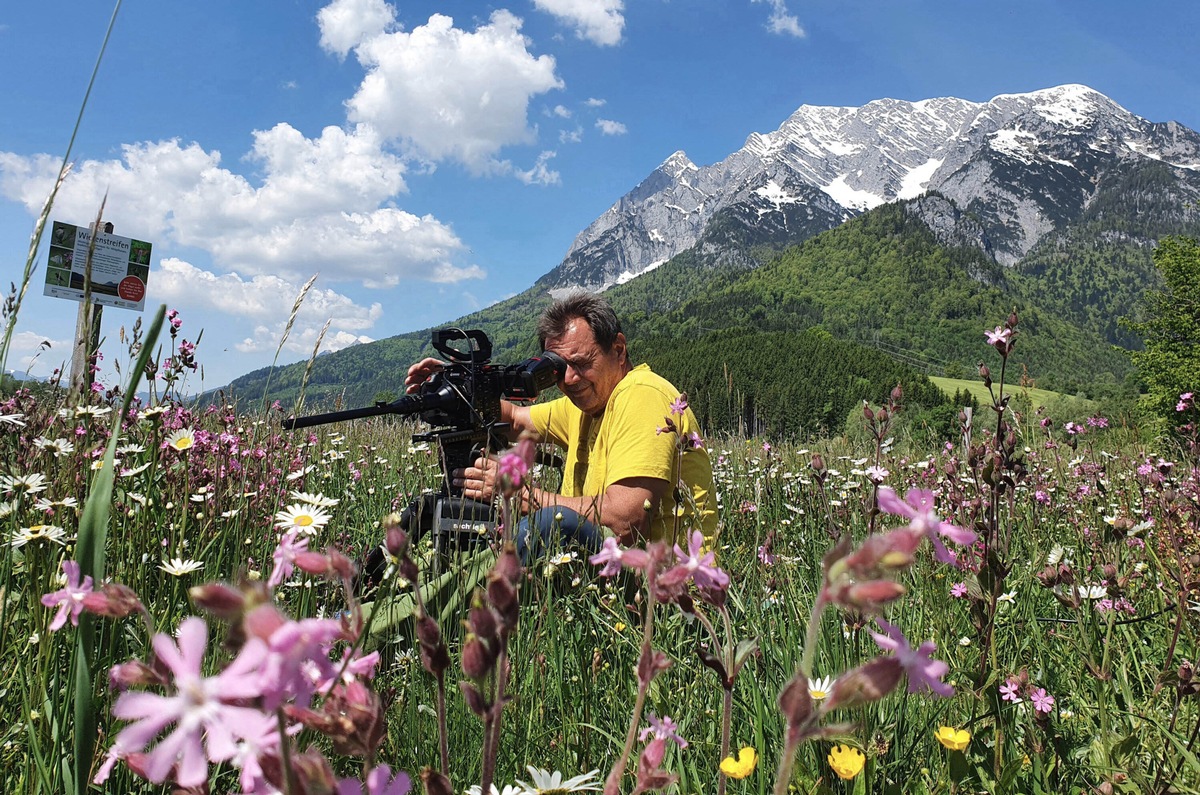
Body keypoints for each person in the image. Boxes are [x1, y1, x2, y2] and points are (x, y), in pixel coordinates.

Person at [404, 292, 718, 561]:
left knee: (552, 524)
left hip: (661, 591)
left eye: (582, 363)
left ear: (618, 350)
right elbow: (514, 419)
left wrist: (522, 495)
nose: (569, 379)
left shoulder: (642, 395)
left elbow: (625, 521)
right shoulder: (588, 404)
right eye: (558, 369)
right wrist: (456, 387)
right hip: (607, 576)